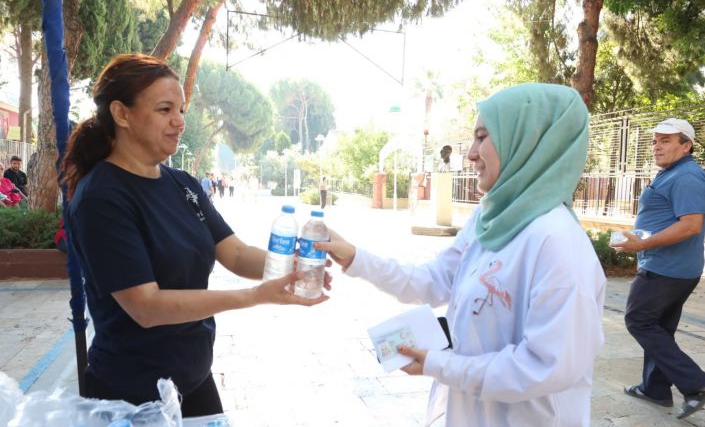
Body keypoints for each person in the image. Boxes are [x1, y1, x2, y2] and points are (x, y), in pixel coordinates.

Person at [318, 83, 606, 426]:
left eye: (483, 137)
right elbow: (433, 280)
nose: (470, 153)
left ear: (527, 140)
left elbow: (543, 367)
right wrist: (355, 257)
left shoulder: (557, 244)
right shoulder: (489, 222)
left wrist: (438, 364)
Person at [61, 53, 330, 417]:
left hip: (192, 378)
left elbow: (234, 253)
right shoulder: (102, 197)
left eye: (182, 110)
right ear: (122, 114)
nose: (179, 122)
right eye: (165, 109)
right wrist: (254, 296)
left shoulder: (183, 184)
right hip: (131, 392)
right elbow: (146, 307)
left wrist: (295, 267)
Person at [611, 118, 705, 419]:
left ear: (685, 145)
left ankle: (697, 384)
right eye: (655, 141)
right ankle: (654, 389)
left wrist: (643, 245)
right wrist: (642, 237)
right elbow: (671, 220)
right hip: (671, 266)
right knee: (660, 329)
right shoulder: (675, 173)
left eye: (666, 140)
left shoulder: (687, 176)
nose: (656, 146)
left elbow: (691, 225)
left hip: (666, 269)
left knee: (638, 321)